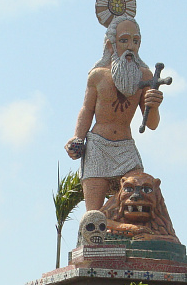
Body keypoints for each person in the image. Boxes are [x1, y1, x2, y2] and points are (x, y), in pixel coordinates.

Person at [65, 14, 164, 211]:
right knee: (94, 215)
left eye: (136, 41)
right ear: (111, 44)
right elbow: (87, 109)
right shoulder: (98, 75)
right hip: (98, 147)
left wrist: (154, 105)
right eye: (124, 40)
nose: (131, 46)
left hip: (126, 149)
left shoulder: (144, 76)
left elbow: (151, 124)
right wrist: (77, 138)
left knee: (140, 200)